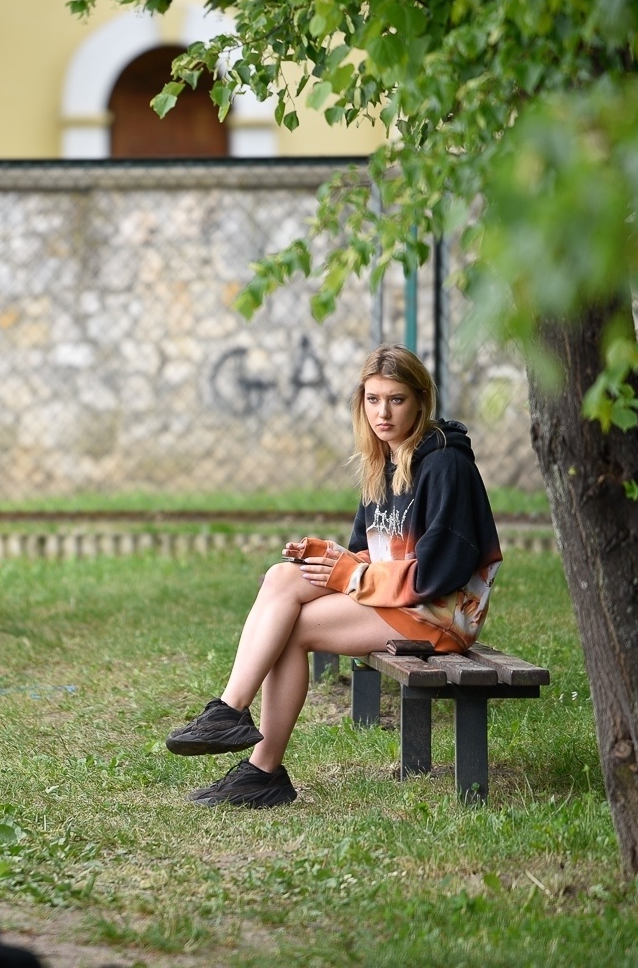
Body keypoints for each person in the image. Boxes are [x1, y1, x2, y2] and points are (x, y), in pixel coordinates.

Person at [163, 344, 502, 808]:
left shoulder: (445, 464)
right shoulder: (382, 460)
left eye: (396, 400)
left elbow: (440, 572)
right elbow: (374, 550)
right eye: (373, 399)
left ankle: (261, 769)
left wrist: (350, 575)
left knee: (292, 630)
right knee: (281, 577)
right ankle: (228, 713)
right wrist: (328, 556)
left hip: (441, 612)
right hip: (400, 595)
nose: (383, 412)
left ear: (421, 400)